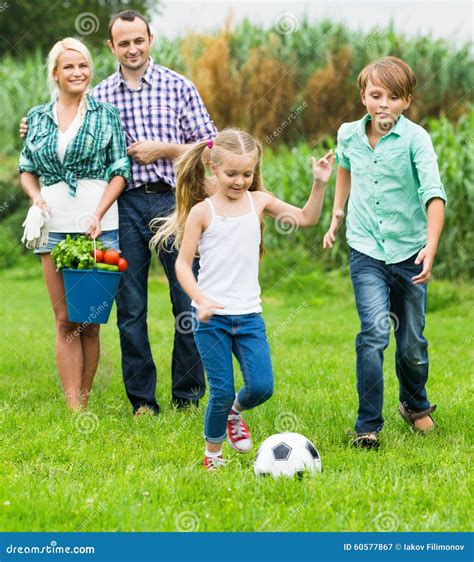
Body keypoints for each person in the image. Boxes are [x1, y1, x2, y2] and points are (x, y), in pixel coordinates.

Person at [21, 10, 216, 415]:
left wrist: (162, 149)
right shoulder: (102, 95)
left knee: (186, 300)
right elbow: (62, 118)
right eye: (123, 42)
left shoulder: (178, 86)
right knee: (130, 308)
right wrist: (31, 126)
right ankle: (143, 401)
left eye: (138, 40)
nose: (132, 48)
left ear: (150, 40)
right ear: (111, 47)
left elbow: (212, 146)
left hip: (173, 200)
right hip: (121, 207)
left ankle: (188, 396)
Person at [151, 129, 334, 470]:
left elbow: (307, 219)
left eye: (247, 174)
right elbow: (182, 265)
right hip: (211, 318)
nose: (239, 181)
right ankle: (212, 457)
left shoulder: (259, 201)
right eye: (231, 174)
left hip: (249, 316)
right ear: (212, 167)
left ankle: (234, 414)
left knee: (262, 386)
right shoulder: (201, 212)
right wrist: (200, 299)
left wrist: (320, 183)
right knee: (220, 390)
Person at [323, 56, 447, 449]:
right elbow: (344, 167)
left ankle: (415, 406)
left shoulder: (416, 139)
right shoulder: (348, 134)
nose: (384, 104)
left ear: (406, 101)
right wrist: (337, 212)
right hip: (366, 251)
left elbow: (433, 194)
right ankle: (367, 425)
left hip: (410, 251)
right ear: (363, 97)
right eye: (376, 95)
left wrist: (430, 246)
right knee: (374, 333)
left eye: (394, 97)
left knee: (411, 342)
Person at [18, 38, 130, 410]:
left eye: (82, 65)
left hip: (98, 223)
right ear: (56, 73)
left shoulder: (106, 114)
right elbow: (27, 170)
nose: (77, 72)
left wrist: (98, 212)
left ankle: (85, 394)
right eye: (68, 67)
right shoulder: (37, 117)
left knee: (90, 319)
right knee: (65, 318)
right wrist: (35, 197)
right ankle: (74, 407)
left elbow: (120, 171)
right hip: (54, 223)